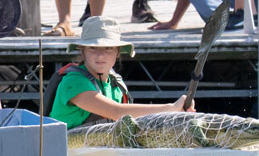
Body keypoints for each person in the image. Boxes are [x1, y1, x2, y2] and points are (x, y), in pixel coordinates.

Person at [48, 17, 191, 129]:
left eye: (108, 48)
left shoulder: (117, 84)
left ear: (118, 52)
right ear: (83, 50)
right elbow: (117, 112)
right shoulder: (74, 82)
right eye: (93, 48)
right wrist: (172, 108)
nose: (100, 55)